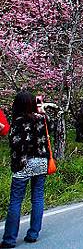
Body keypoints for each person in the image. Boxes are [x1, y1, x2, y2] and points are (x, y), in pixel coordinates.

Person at [2, 91, 49, 247]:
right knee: (37, 197)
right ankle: (33, 233)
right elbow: (52, 129)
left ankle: (9, 239)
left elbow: (14, 143)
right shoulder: (41, 119)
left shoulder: (18, 121)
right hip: (41, 162)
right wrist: (42, 111)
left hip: (24, 163)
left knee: (16, 201)